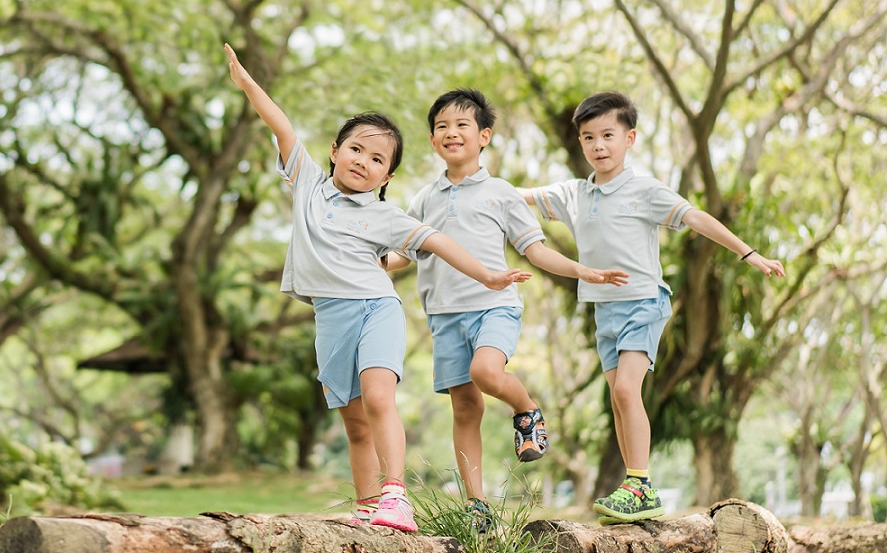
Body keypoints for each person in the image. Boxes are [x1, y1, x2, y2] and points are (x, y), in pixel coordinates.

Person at [224, 45, 533, 533]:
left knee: (377, 398)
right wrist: (247, 84)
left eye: (376, 159)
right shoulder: (307, 184)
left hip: (376, 310)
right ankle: (370, 508)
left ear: (386, 176)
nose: (362, 161)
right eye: (356, 149)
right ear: (335, 151)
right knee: (354, 422)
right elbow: (282, 127)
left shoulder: (385, 215)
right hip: (330, 318)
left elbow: (439, 242)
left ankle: (396, 495)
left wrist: (489, 276)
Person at [518, 90, 786, 523]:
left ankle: (640, 484)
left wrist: (749, 254)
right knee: (618, 399)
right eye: (589, 137)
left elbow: (696, 218)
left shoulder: (643, 189)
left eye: (608, 135)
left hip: (643, 302)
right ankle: (633, 487)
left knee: (628, 390)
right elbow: (520, 196)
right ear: (580, 142)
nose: (599, 145)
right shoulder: (574, 193)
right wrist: (476, 184)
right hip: (603, 309)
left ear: (630, 138)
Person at [383, 89, 629, 532]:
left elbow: (535, 250)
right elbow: (404, 254)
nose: (451, 133)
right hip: (443, 314)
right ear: (433, 140)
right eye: (441, 127)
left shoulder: (501, 193)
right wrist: (370, 264)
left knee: (485, 372)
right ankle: (477, 506)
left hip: (493, 306)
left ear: (484, 136)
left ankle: (526, 407)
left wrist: (581, 270)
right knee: (465, 408)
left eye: (462, 125)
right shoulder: (423, 199)